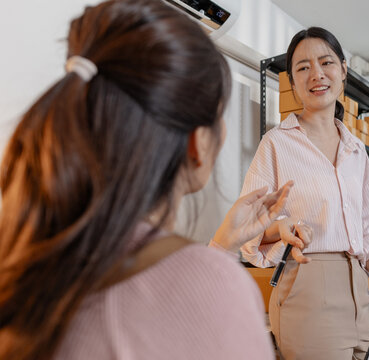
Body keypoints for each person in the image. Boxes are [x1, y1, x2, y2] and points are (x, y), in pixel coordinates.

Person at [0, 0, 292, 359]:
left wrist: (221, 247)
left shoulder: (25, 255)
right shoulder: (215, 288)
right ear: (199, 143)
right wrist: (213, 267)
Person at [240, 27, 369, 360]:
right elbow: (246, 229)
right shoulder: (276, 144)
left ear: (343, 71)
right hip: (307, 290)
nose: (317, 74)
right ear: (292, 83)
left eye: (326, 63)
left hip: (362, 293)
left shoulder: (356, 150)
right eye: (303, 67)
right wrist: (281, 229)